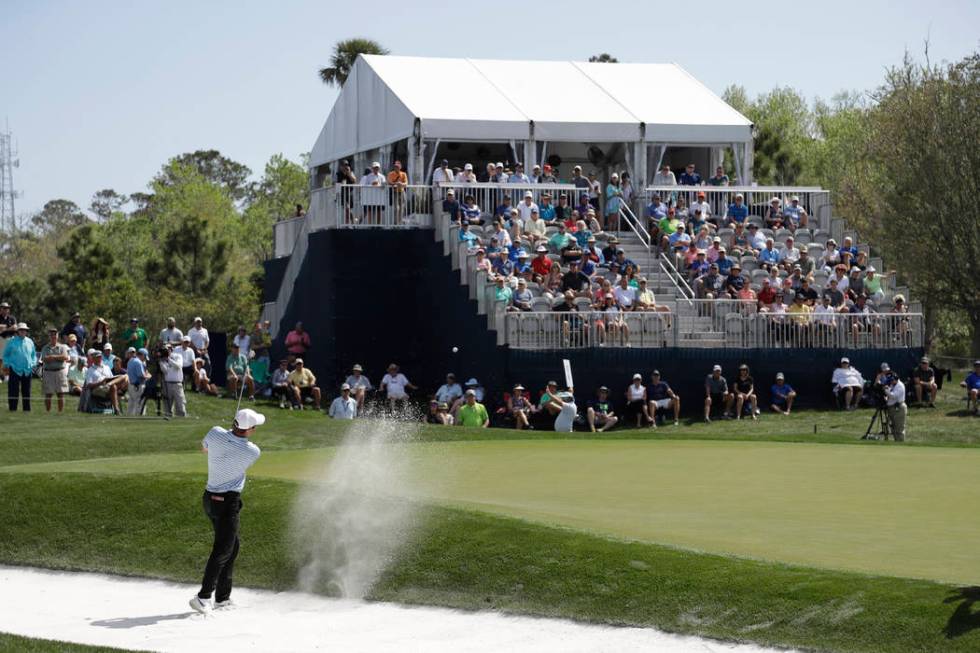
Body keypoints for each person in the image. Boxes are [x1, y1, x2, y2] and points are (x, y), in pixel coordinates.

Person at [190, 408, 264, 614]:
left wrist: (223, 437)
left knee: (232, 546)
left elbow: (204, 449)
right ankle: (204, 596)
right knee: (223, 549)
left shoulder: (215, 432)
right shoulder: (252, 451)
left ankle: (222, 598)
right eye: (254, 426)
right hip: (227, 502)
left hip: (210, 499)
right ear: (250, 429)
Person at [3, 323, 36, 412]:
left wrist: (33, 364)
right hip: (14, 369)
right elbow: (5, 355)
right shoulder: (11, 341)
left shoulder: (30, 341)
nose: (23, 331)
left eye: (24, 330)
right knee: (13, 391)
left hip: (27, 370)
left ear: (26, 331)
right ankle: (13, 410)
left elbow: (33, 355)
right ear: (17, 331)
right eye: (21, 330)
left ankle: (26, 410)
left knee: (26, 392)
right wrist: (7, 364)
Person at [40, 326, 71, 413]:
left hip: (60, 372)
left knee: (60, 394)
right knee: (48, 394)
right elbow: (44, 358)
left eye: (55, 334)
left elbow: (65, 357)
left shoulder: (62, 347)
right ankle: (48, 412)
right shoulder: (45, 348)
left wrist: (53, 356)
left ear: (57, 336)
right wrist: (58, 357)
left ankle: (60, 412)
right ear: (49, 336)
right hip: (48, 372)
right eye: (51, 335)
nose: (53, 336)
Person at [84, 349, 123, 414]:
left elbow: (111, 378)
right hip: (97, 389)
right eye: (98, 357)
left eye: (100, 357)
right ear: (93, 359)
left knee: (124, 377)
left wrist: (108, 381)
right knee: (113, 387)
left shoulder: (107, 367)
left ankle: (112, 386)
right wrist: (101, 382)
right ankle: (116, 409)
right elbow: (89, 385)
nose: (100, 358)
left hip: (107, 386)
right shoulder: (90, 370)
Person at [159, 344, 187, 418]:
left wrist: (169, 360)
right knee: (167, 406)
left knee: (180, 405)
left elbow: (178, 366)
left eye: (168, 349)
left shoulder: (178, 356)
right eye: (165, 349)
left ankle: (181, 420)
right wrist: (161, 362)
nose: (167, 350)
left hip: (177, 384)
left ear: (171, 349)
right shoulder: (162, 359)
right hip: (167, 384)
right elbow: (165, 371)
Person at [126, 348, 151, 415]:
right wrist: (149, 376)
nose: (145, 359)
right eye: (145, 357)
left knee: (131, 403)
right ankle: (139, 417)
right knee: (140, 403)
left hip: (131, 385)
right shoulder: (138, 362)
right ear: (142, 355)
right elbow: (141, 376)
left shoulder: (130, 360)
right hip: (138, 386)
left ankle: (129, 417)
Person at [885, 374, 907, 441]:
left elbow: (894, 396)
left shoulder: (900, 386)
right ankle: (896, 441)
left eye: (892, 380)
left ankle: (900, 442)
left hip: (899, 407)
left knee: (899, 426)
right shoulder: (893, 385)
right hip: (892, 407)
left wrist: (886, 391)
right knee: (893, 426)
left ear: (896, 379)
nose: (891, 382)